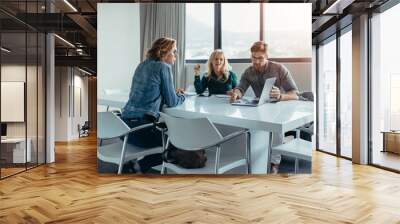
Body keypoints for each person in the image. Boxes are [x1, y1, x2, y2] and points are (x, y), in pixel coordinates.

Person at [229, 41, 299, 173]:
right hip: (261, 108)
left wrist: (280, 96)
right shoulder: (249, 72)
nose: (256, 61)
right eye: (253, 58)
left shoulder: (279, 69)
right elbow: (240, 88)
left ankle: (274, 163)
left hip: (279, 108)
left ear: (267, 57)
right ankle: (253, 157)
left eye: (260, 58)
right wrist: (236, 94)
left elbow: (295, 93)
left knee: (275, 123)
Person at [121, 37, 185, 173]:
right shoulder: (163, 67)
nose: (175, 55)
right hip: (141, 129)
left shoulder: (142, 65)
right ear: (164, 53)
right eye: (173, 52)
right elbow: (172, 102)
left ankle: (133, 164)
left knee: (167, 137)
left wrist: (172, 92)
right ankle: (139, 167)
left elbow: (150, 90)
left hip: (123, 127)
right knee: (178, 144)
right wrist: (182, 96)